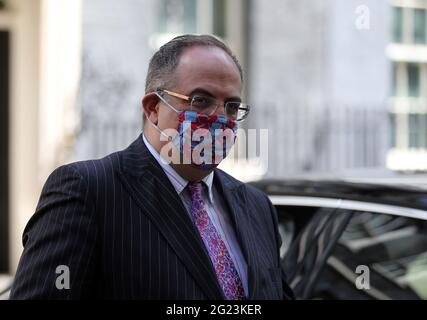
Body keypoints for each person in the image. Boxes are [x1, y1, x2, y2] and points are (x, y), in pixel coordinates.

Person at [10, 34, 294, 300]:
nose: (220, 118)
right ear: (153, 108)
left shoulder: (257, 206)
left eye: (232, 106)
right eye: (201, 100)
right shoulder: (89, 192)